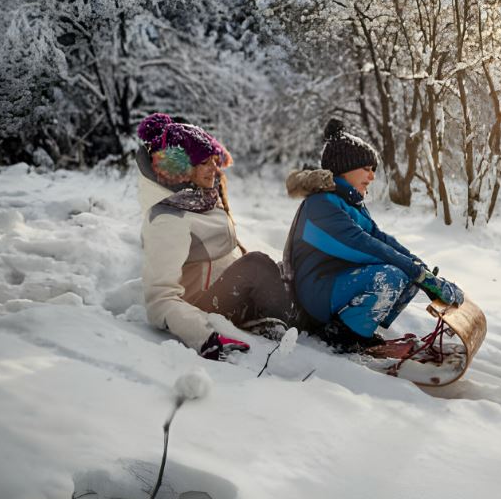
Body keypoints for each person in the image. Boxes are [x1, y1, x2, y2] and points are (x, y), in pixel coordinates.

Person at [283, 118, 464, 351]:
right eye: (366, 169)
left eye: (373, 170)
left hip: (337, 283)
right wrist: (419, 274)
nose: (372, 177)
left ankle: (358, 327)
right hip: (315, 294)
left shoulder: (350, 202)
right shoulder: (321, 205)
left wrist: (423, 270)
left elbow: (379, 238)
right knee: (391, 275)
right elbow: (362, 245)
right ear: (344, 169)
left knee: (409, 271)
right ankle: (342, 335)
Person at [136, 113, 298, 360]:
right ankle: (303, 331)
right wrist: (205, 336)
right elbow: (160, 299)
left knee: (289, 269)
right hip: (202, 309)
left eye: (214, 159)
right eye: (204, 162)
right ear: (181, 167)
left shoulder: (200, 199)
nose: (215, 168)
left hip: (227, 296)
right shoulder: (168, 218)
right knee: (256, 265)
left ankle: (302, 321)